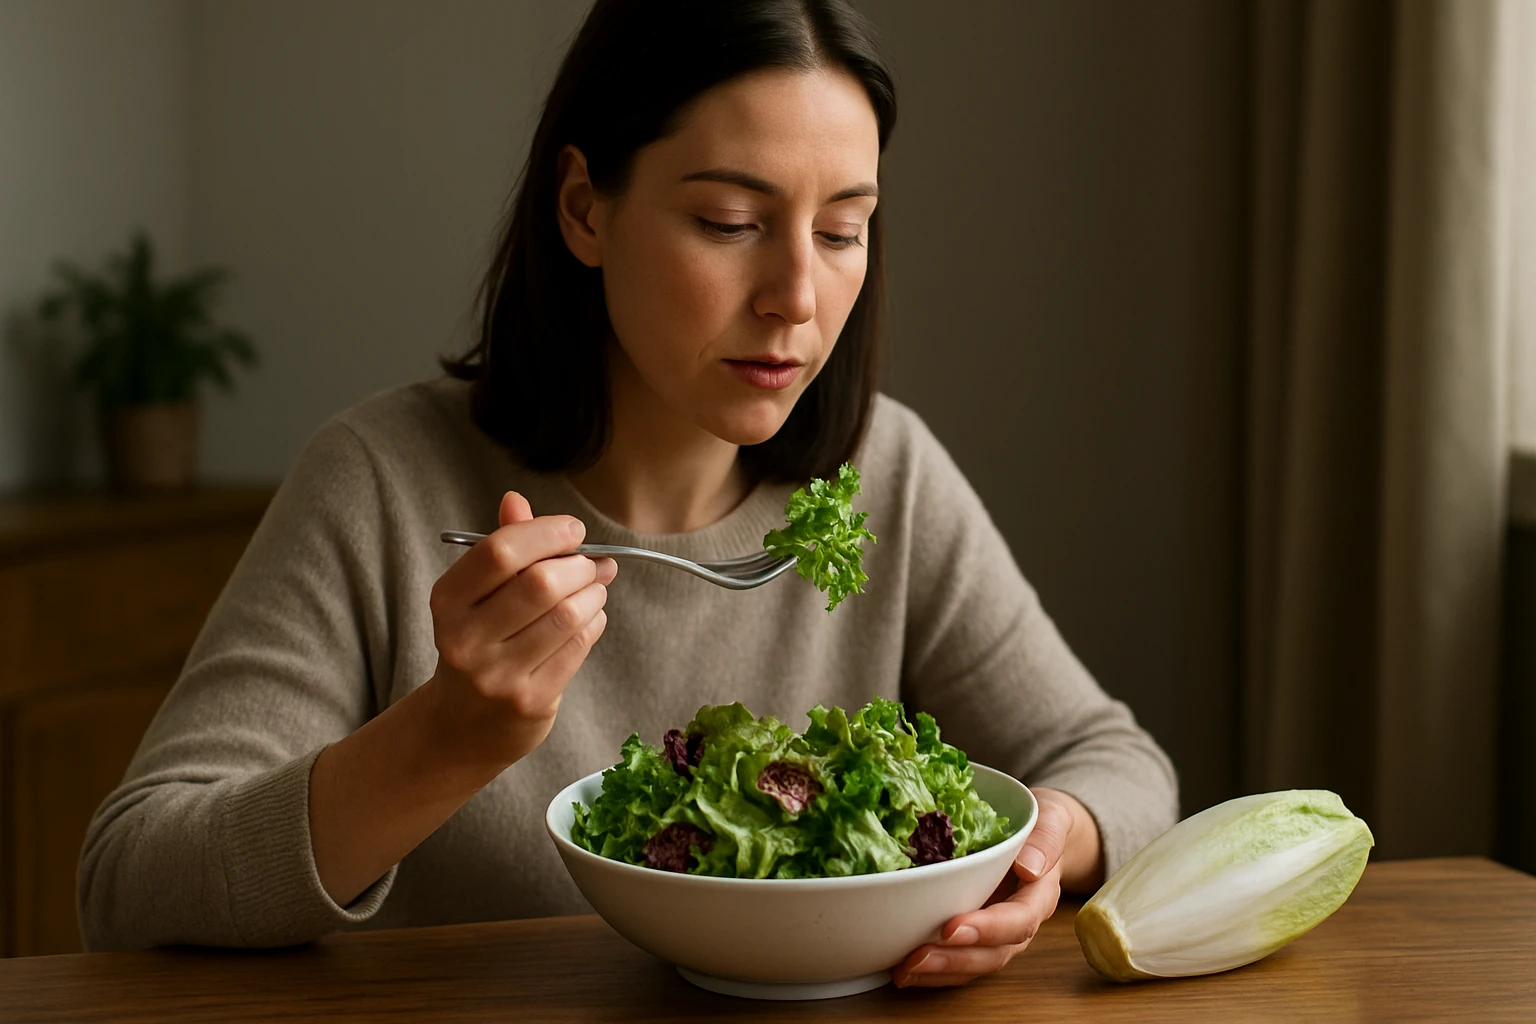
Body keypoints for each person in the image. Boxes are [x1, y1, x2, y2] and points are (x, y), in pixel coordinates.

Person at [79, 0, 1177, 989]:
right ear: (583, 208)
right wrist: (449, 739)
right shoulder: (380, 479)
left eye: (843, 230)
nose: (798, 295)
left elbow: (1116, 764)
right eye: (730, 223)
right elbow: (130, 886)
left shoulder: (884, 474)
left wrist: (1042, 854)